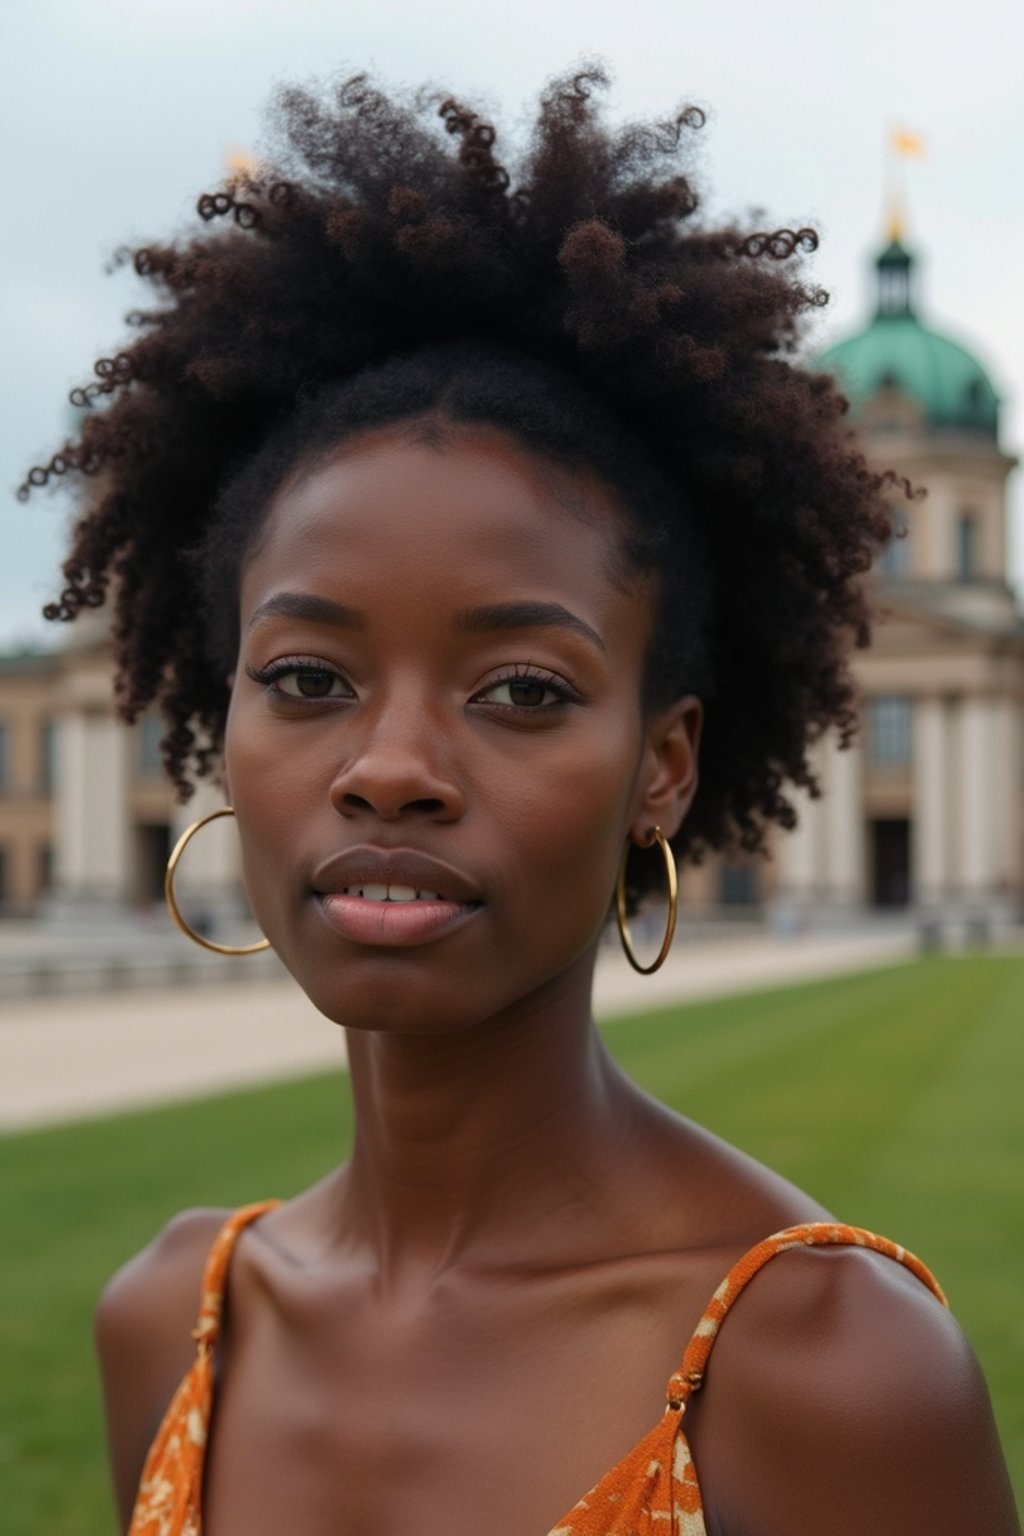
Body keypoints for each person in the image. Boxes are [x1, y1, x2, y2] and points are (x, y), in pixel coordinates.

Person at [26, 68, 1018, 1536]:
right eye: (304, 677)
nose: (390, 767)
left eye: (525, 690)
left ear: (664, 765)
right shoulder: (166, 1322)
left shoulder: (834, 1370)